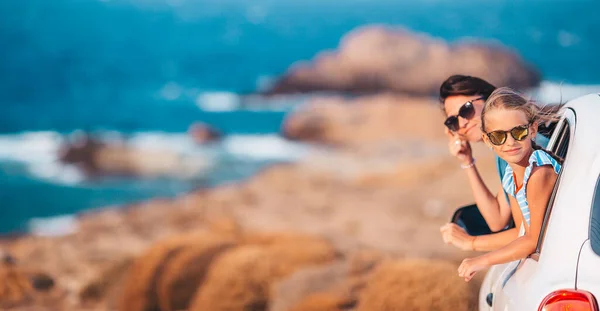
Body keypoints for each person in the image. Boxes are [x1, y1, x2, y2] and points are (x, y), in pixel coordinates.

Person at [455, 87, 563, 281]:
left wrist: (482, 261)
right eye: (499, 136)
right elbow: (521, 231)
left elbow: (532, 240)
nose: (510, 142)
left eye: (518, 132)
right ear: (488, 140)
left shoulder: (539, 172)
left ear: (533, 129)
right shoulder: (510, 177)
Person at [437, 75, 551, 251]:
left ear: (489, 100)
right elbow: (497, 220)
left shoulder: (525, 148)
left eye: (466, 110)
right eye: (452, 121)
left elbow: (525, 233)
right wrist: (467, 160)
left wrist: (471, 243)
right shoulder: (505, 155)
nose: (462, 123)